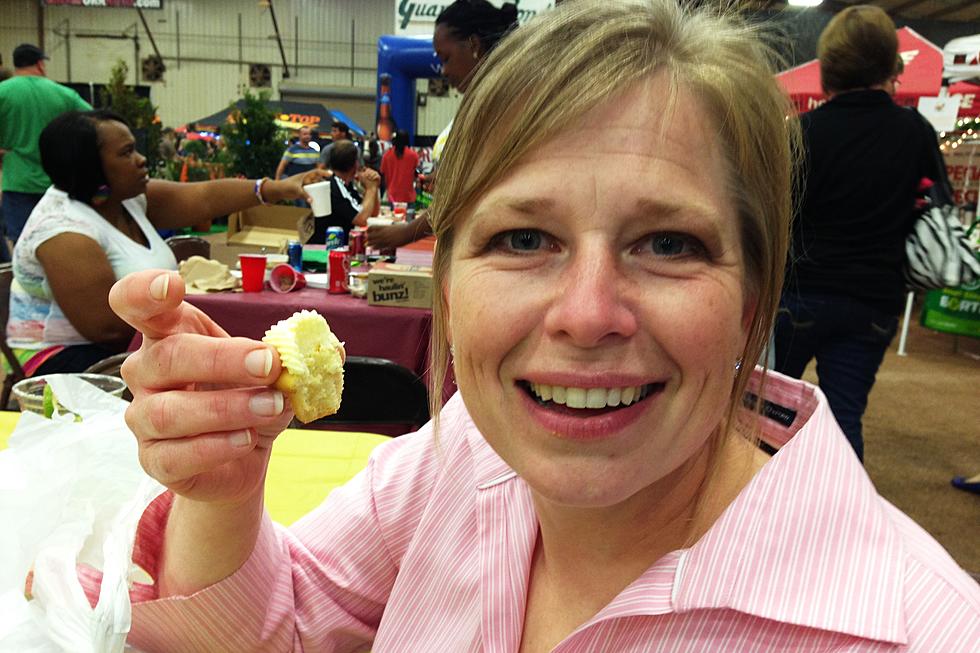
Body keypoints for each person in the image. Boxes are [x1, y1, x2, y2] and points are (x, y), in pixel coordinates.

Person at [101, 1, 979, 650]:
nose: (588, 313)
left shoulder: (916, 630)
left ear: (753, 294)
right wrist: (219, 493)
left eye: (668, 242)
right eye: (524, 237)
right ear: (448, 280)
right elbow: (281, 622)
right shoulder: (452, 464)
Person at [5, 110, 326, 375]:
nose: (141, 159)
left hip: (133, 346)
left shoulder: (124, 199)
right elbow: (108, 329)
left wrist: (278, 188)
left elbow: (203, 198)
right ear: (90, 167)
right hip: (67, 363)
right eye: (127, 152)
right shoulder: (62, 230)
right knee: (224, 377)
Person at [773, 6, 950, 463]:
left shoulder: (804, 132)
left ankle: (762, 505)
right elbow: (936, 205)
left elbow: (775, 215)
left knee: (770, 411)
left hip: (800, 293)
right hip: (874, 298)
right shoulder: (916, 132)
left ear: (829, 66)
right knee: (845, 417)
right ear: (891, 66)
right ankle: (838, 517)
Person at [367, 0, 518, 251]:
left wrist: (405, 233)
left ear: (474, 45)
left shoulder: (499, 102)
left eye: (446, 58)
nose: (444, 70)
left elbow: (469, 192)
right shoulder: (487, 98)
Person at [0, 43, 91, 260]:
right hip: (58, 184)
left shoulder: (3, 92)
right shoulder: (63, 94)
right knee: (60, 241)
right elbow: (96, 123)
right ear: (40, 64)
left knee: (24, 246)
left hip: (18, 182)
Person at [306, 139, 380, 244]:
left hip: (339, 246)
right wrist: (371, 189)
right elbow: (362, 220)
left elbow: (372, 213)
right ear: (355, 164)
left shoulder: (347, 185)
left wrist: (374, 186)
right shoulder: (334, 187)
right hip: (326, 249)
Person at [379, 130, 419, 205]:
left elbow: (382, 175)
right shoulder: (414, 156)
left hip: (392, 196)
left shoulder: (387, 156)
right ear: (407, 141)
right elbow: (416, 175)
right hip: (408, 196)